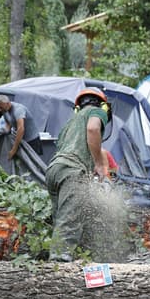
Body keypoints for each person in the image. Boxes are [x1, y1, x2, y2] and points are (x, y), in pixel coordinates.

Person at [44, 87, 111, 262]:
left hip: (53, 170)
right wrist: (98, 163)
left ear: (77, 107)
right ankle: (59, 270)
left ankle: (62, 258)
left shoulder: (70, 123)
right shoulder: (96, 111)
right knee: (68, 223)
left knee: (61, 220)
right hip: (72, 171)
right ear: (104, 105)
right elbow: (93, 129)